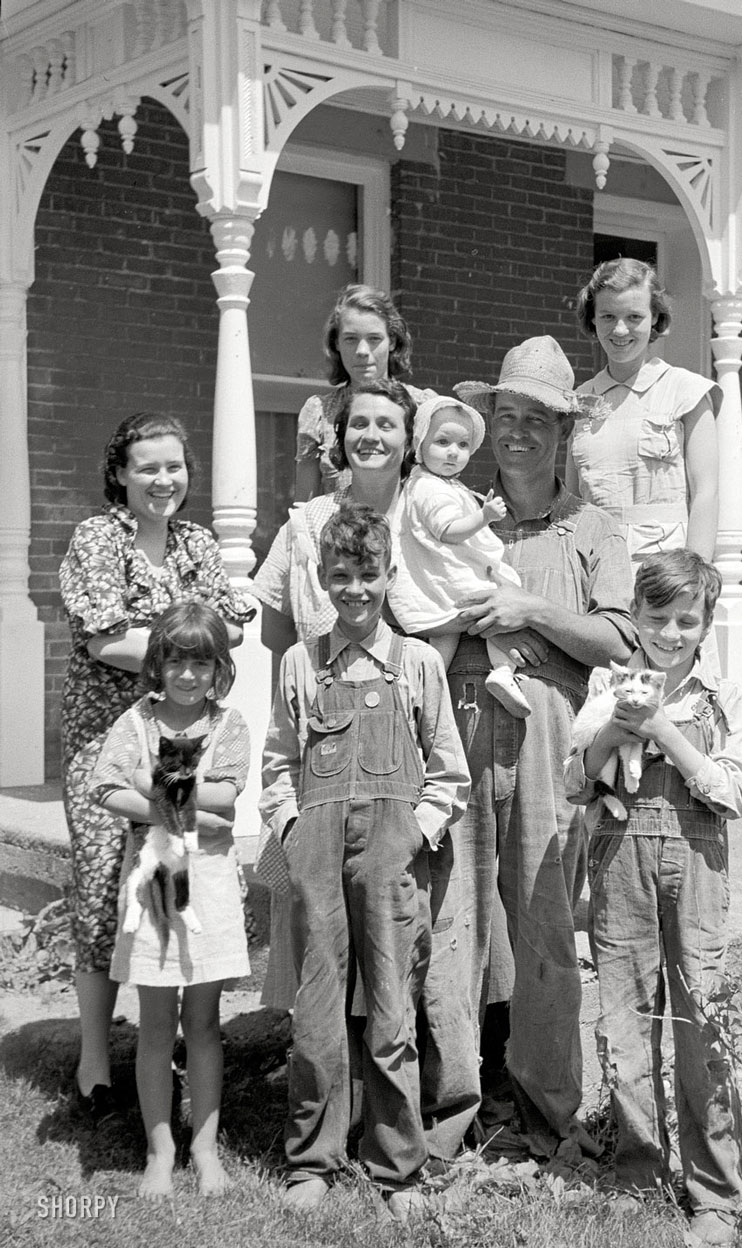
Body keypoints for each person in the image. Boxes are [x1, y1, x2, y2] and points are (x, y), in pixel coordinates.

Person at [253, 381, 482, 1162]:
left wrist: (418, 831)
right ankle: (312, 1156)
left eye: (369, 578)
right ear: (322, 579)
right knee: (318, 1010)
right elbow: (279, 760)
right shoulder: (299, 664)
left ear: (390, 580)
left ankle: (396, 1157)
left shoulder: (416, 663)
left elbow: (449, 772)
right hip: (316, 852)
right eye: (340, 579)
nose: (354, 592)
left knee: (391, 1010)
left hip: (393, 855)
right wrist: (290, 825)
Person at [439, 335, 635, 1143]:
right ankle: (447, 1115)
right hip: (458, 731)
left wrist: (534, 615)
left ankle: (547, 1120)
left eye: (538, 420)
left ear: (564, 433)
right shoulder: (455, 516)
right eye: (507, 416)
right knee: (454, 925)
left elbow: (624, 641)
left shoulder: (593, 529)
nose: (518, 431)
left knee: (544, 929)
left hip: (552, 744)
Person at [59, 412, 253, 1125]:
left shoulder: (198, 540)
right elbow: (103, 639)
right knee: (108, 878)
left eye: (174, 467)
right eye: (147, 467)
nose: (163, 480)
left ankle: (176, 1038)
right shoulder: (97, 539)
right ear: (119, 472)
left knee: (186, 865)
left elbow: (233, 624)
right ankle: (92, 1062)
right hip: (111, 737)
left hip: (190, 736)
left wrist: (179, 646)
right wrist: (180, 645)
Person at [569, 550, 742, 1247]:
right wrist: (618, 728)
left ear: (705, 624)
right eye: (657, 619)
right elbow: (574, 778)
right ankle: (639, 1169)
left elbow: (734, 793)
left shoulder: (721, 694)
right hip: (619, 859)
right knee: (625, 1018)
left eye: (686, 621)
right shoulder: (607, 682)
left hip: (695, 859)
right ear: (637, 619)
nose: (671, 633)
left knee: (700, 1021)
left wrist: (667, 733)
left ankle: (716, 1190)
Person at [89, 603, 251, 1200]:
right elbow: (107, 785)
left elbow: (229, 797)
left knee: (203, 1023)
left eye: (201, 663)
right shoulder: (134, 722)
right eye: (176, 661)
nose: (188, 675)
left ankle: (205, 1149)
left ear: (218, 668)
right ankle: (160, 1152)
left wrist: (148, 783)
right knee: (157, 1026)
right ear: (157, 664)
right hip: (155, 885)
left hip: (206, 886)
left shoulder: (229, 724)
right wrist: (183, 809)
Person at [566, 258, 721, 569]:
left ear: (655, 319)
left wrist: (692, 579)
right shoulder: (580, 400)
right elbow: (572, 498)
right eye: (608, 316)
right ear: (593, 320)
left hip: (663, 572)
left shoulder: (686, 392)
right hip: (593, 566)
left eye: (634, 316)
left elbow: (706, 493)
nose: (620, 329)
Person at [390, 394, 530, 718]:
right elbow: (448, 529)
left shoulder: (441, 483)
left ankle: (425, 694)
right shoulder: (429, 487)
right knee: (499, 602)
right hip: (451, 580)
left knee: (443, 644)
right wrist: (484, 517)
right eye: (442, 442)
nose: (453, 452)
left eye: (463, 445)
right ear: (419, 443)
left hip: (443, 582)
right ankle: (503, 671)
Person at [253, 377, 416, 655]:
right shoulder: (308, 523)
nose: (371, 436)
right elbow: (274, 634)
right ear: (342, 437)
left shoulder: (435, 517)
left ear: (410, 441)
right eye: (359, 424)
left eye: (386, 425)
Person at [294, 283, 434, 503]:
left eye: (374, 339)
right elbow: (303, 506)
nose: (361, 351)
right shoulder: (319, 411)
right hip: (338, 532)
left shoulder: (422, 406)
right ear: (336, 344)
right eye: (350, 339)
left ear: (392, 341)